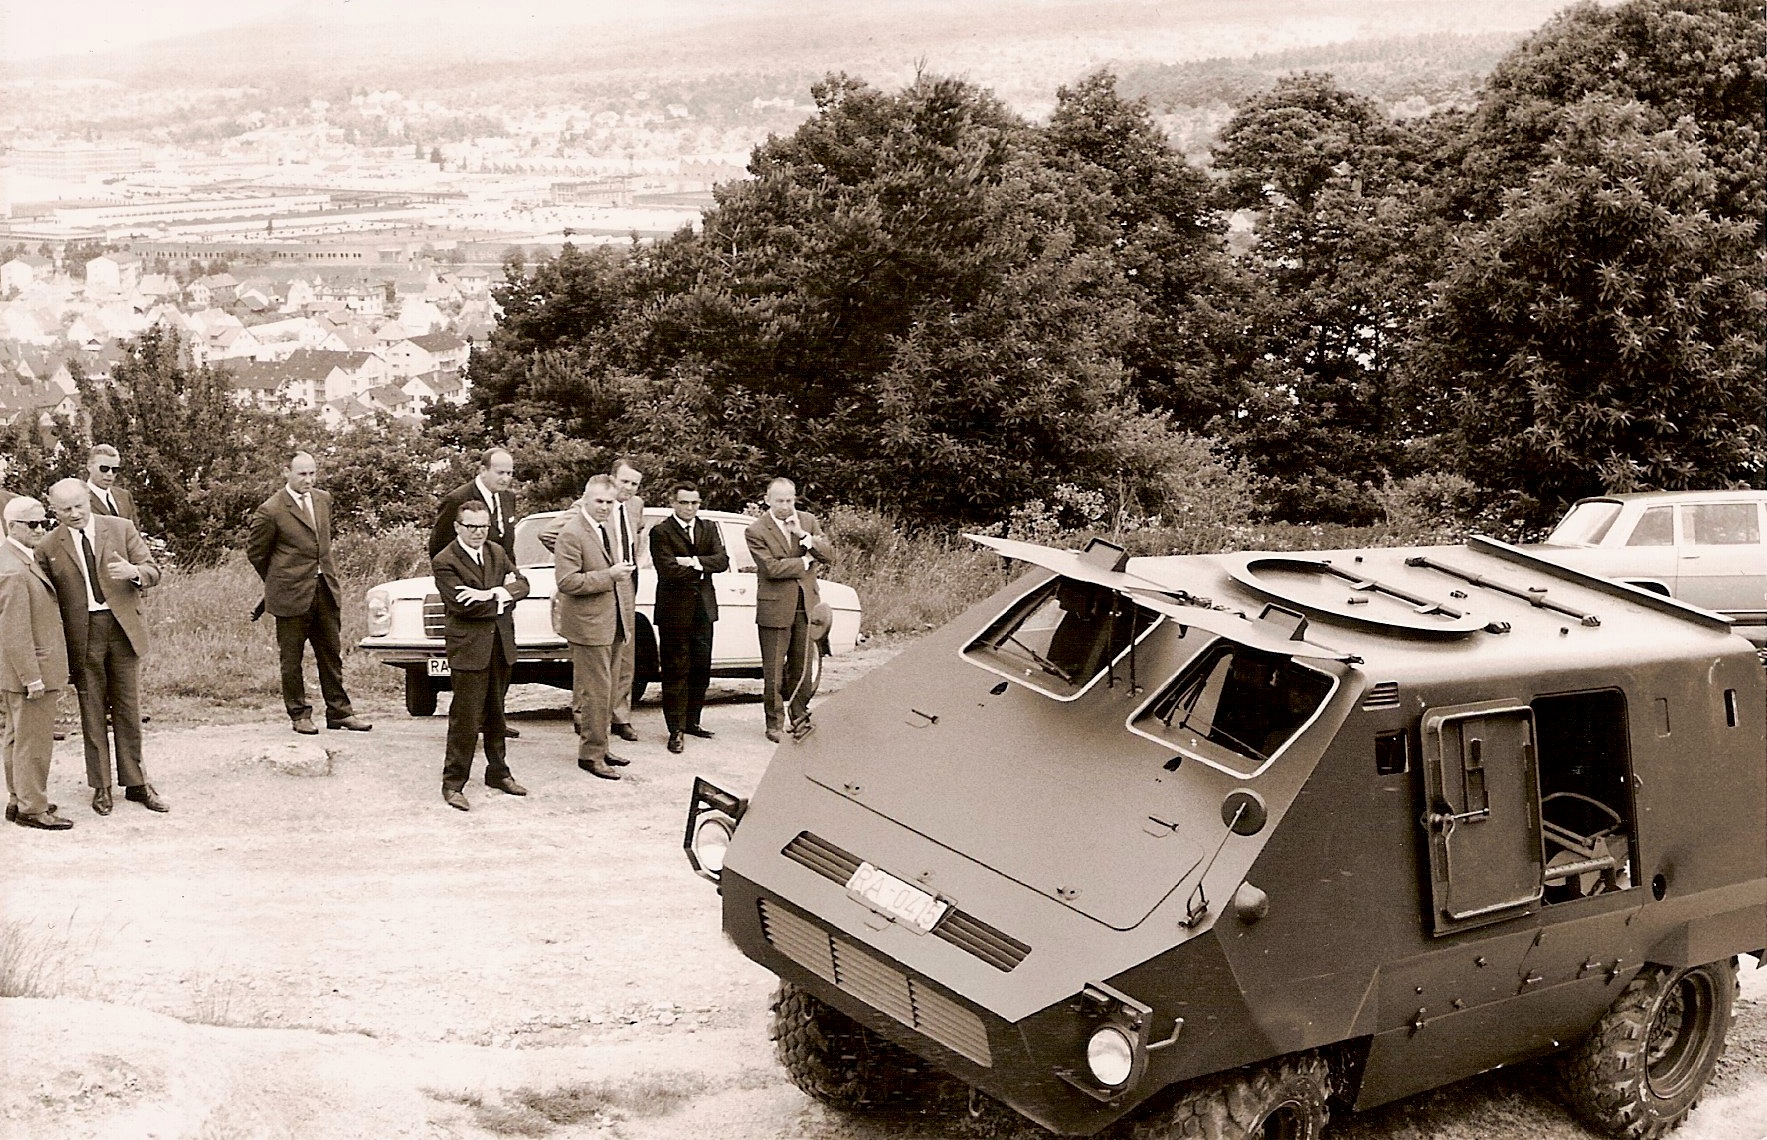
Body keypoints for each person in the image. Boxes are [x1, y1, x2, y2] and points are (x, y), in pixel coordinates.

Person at [38, 478, 166, 815]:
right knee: (91, 710)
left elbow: (153, 571)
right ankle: (101, 786)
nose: (74, 513)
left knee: (128, 708)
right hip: (83, 636)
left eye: (79, 505)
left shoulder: (120, 528)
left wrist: (133, 571)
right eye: (65, 509)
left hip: (123, 629)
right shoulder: (48, 546)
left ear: (88, 499)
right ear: (54, 510)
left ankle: (137, 783)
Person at [246, 452, 372, 736]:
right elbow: (256, 553)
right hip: (290, 595)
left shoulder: (323, 500)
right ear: (286, 472)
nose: (309, 479)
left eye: (312, 473)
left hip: (324, 589)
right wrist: (280, 581)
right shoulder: (271, 510)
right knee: (292, 659)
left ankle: (340, 712)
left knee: (331, 654)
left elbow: (320, 544)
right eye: (302, 474)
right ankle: (299, 714)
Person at [432, 502, 530, 811]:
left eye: (483, 526)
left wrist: (491, 593)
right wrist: (502, 595)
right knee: (466, 718)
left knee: (497, 714)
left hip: (500, 645)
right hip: (469, 649)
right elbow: (463, 606)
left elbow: (523, 585)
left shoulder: (496, 552)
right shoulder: (445, 560)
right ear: (457, 527)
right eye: (471, 526)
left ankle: (498, 772)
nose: (478, 532)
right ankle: (453, 783)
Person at [550, 475, 632, 779]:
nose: (605, 507)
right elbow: (567, 582)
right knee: (596, 693)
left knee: (608, 691)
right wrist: (610, 575)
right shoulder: (571, 533)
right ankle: (591, 755)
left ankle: (601, 746)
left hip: (611, 623)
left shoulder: (603, 527)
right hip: (588, 626)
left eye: (610, 502)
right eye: (599, 501)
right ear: (585, 499)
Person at [1, 496, 73, 830]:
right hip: (31, 670)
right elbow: (15, 630)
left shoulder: (16, 558)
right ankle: (32, 808)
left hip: (18, 670)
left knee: (17, 737)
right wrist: (32, 677)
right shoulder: (14, 570)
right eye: (33, 524)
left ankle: (19, 799)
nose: (40, 529)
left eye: (44, 522)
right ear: (12, 526)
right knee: (34, 742)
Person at [745, 477, 834, 742]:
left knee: (802, 667)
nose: (785, 506)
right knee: (773, 671)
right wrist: (805, 562)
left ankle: (800, 716)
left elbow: (829, 555)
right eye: (779, 501)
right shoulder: (756, 530)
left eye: (789, 500)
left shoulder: (807, 521)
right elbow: (771, 568)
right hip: (775, 608)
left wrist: (803, 536)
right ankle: (774, 723)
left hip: (806, 606)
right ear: (767, 500)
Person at [648, 482, 728, 753]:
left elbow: (722, 561)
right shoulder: (661, 531)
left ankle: (693, 721)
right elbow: (668, 570)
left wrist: (692, 561)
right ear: (673, 503)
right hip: (674, 611)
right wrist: (703, 566)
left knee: (701, 668)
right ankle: (675, 729)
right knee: (675, 670)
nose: (690, 508)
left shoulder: (709, 527)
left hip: (704, 609)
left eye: (695, 503)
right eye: (684, 502)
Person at [430, 447, 518, 563]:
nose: (506, 479)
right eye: (500, 473)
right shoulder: (457, 499)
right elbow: (439, 547)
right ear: (483, 470)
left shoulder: (509, 497)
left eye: (509, 473)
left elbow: (507, 545)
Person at [85, 444, 139, 526]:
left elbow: (135, 531)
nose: (110, 474)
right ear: (89, 466)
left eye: (115, 469)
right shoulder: (80, 498)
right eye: (104, 468)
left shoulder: (124, 496)